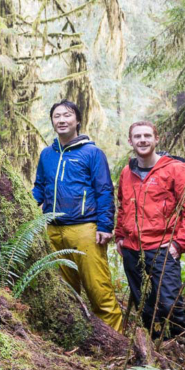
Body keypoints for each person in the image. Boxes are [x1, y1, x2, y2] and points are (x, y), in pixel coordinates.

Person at [32, 100, 123, 332]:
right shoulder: (46, 155)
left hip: (85, 230)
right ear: (52, 121)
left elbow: (104, 190)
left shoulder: (92, 153)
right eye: (57, 116)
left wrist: (105, 225)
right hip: (53, 230)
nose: (61, 120)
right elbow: (39, 187)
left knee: (98, 288)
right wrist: (27, 207)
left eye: (67, 115)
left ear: (78, 120)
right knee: (64, 291)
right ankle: (76, 337)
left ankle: (116, 340)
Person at [115, 121, 185, 339]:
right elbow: (123, 205)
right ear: (130, 141)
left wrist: (179, 244)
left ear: (157, 139)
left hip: (163, 248)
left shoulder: (175, 169)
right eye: (137, 136)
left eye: (147, 136)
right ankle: (155, 350)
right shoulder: (127, 172)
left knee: (169, 304)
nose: (142, 140)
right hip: (132, 249)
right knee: (144, 306)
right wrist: (120, 236)